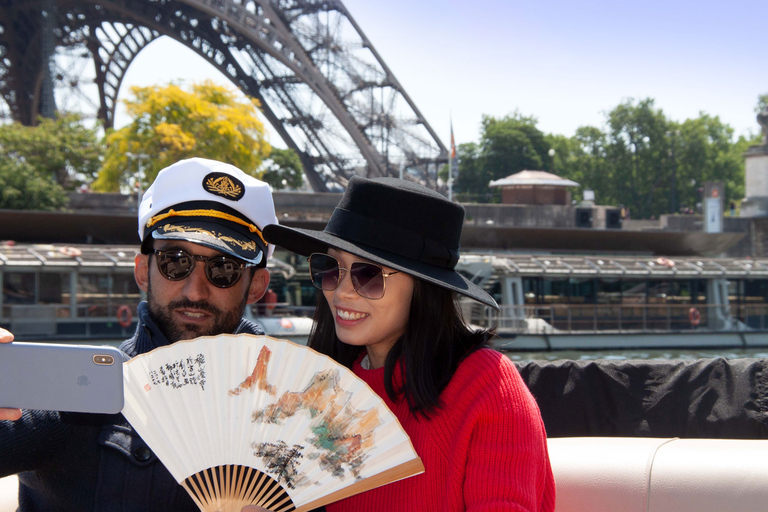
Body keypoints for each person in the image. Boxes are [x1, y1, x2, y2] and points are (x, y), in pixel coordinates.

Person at [0, 157, 279, 511]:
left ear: (256, 286)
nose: (195, 291)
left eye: (223, 269)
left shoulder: (293, 407)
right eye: (175, 261)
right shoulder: (75, 396)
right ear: (143, 271)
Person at [262, 176, 556, 511]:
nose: (340, 291)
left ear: (423, 286)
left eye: (367, 274)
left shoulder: (487, 387)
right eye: (330, 268)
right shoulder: (324, 389)